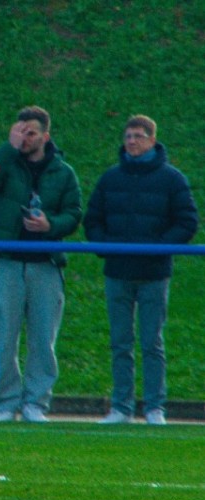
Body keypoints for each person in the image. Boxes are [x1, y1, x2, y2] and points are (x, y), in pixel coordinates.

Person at [84, 115, 198, 425]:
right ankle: (121, 406)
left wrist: (159, 246)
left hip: (154, 273)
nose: (131, 141)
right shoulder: (111, 178)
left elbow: (187, 221)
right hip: (118, 271)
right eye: (128, 136)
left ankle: (154, 407)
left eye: (137, 136)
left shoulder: (172, 179)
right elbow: (93, 219)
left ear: (151, 140)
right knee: (120, 341)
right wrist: (105, 246)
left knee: (152, 342)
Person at [0, 106, 82, 423]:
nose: (25, 138)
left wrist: (50, 225)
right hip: (8, 262)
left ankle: (37, 402)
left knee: (43, 338)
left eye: (31, 133)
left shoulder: (63, 172)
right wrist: (8, 148)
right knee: (5, 335)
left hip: (45, 264)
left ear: (45, 136)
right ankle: (5, 402)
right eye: (20, 131)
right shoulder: (8, 164)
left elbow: (74, 213)